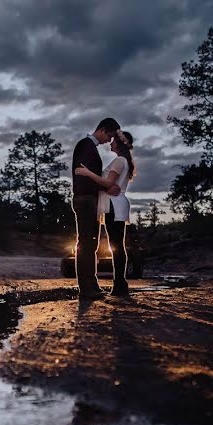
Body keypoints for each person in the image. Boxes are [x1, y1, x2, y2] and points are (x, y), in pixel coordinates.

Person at [76, 130, 136, 296]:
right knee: (117, 244)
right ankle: (120, 284)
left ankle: (119, 284)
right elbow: (111, 185)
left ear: (119, 144)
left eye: (113, 140)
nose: (110, 142)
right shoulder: (123, 161)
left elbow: (108, 182)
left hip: (114, 205)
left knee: (116, 245)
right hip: (117, 204)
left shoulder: (119, 161)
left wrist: (88, 173)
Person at [71, 118, 121, 298]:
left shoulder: (89, 147)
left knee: (90, 243)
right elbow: (84, 177)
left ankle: (91, 285)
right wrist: (106, 186)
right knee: (85, 243)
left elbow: (90, 177)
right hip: (85, 200)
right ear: (102, 130)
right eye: (110, 136)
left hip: (89, 199)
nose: (109, 141)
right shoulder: (85, 145)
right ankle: (86, 289)